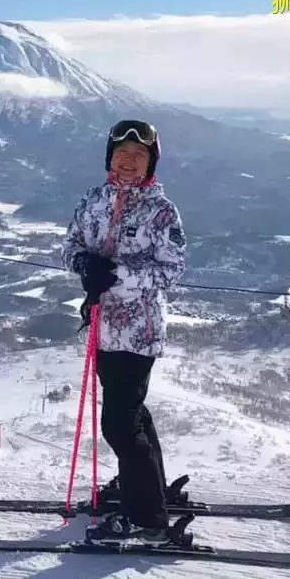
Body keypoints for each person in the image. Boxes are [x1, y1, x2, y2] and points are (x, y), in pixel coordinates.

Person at [62, 119, 187, 542]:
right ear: (109, 158)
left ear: (151, 162)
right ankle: (147, 488)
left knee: (118, 424)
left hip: (139, 331)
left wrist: (113, 275)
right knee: (132, 414)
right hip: (100, 327)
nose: (128, 161)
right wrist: (83, 264)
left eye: (138, 155)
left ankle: (148, 518)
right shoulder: (94, 199)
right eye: (121, 153)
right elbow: (71, 244)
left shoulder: (160, 211)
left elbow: (171, 270)